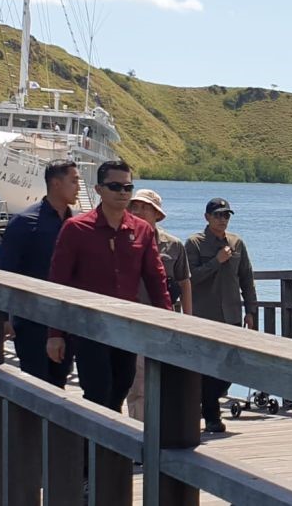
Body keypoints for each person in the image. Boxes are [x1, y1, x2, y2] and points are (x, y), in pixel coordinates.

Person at [46, 160, 171, 412]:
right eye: (115, 186)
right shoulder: (76, 228)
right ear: (98, 189)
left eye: (127, 187)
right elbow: (57, 283)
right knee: (97, 392)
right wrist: (55, 335)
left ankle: (108, 451)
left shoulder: (143, 231)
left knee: (120, 390)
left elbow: (157, 282)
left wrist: (168, 328)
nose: (123, 193)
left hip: (126, 327)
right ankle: (90, 450)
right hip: (89, 327)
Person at [0, 159, 80, 387]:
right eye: (74, 180)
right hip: (32, 321)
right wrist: (3, 318)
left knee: (59, 383)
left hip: (67, 320)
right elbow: (4, 271)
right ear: (55, 183)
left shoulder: (77, 224)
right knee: (35, 384)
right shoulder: (23, 222)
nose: (79, 187)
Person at [185, 197, 258, 433]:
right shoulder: (195, 243)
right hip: (204, 316)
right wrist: (216, 262)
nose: (222, 219)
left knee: (231, 367)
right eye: (218, 215)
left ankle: (204, 404)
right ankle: (212, 416)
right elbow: (190, 278)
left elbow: (247, 279)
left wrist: (251, 311)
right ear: (207, 217)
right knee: (206, 368)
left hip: (232, 316)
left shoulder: (237, 243)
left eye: (226, 215)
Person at [125, 188, 192, 421]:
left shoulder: (174, 245)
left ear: (157, 214)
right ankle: (140, 434)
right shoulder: (125, 240)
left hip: (165, 319)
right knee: (137, 384)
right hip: (132, 320)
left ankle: (161, 432)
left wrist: (188, 319)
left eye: (145, 207)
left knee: (165, 379)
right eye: (135, 206)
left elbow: (184, 282)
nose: (139, 211)